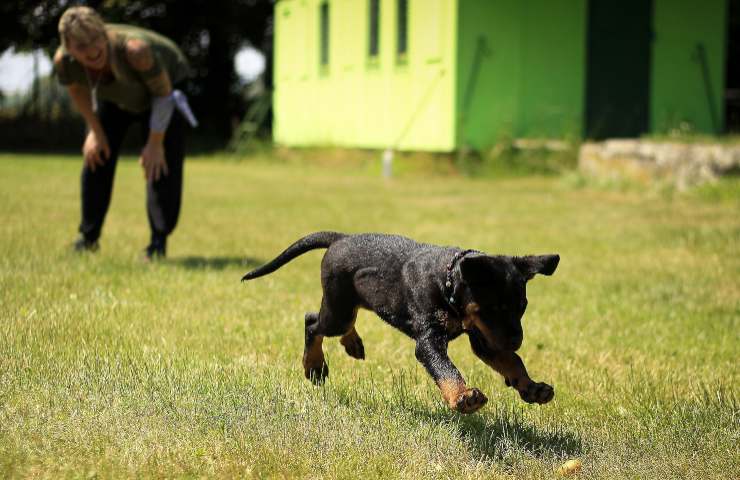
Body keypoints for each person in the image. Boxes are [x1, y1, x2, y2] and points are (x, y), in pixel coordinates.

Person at [53, 6, 197, 260]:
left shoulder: (135, 51)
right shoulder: (65, 62)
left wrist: (154, 143)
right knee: (96, 156)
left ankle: (157, 243)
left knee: (160, 165)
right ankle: (88, 238)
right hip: (117, 96)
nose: (93, 50)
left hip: (164, 91)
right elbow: (77, 90)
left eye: (96, 39)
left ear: (104, 33)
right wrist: (94, 131)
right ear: (68, 47)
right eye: (82, 46)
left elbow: (163, 95)